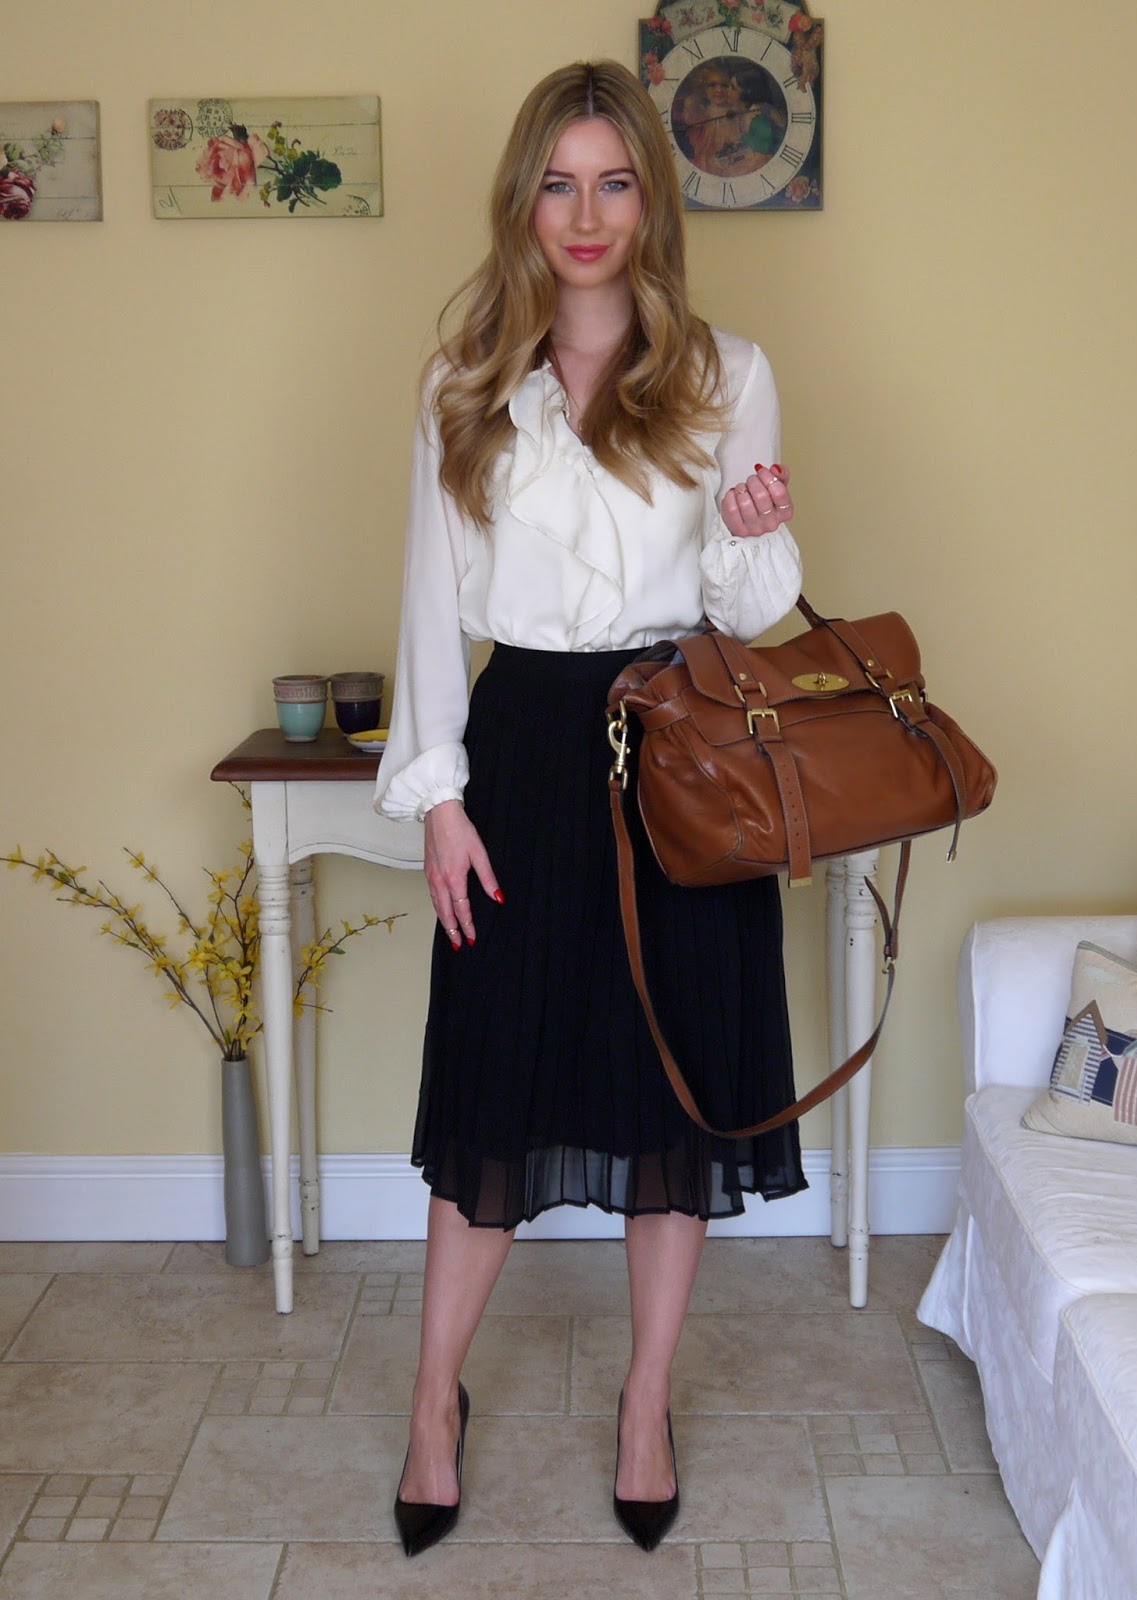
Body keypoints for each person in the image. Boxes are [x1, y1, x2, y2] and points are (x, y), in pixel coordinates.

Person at [373, 58, 806, 1558]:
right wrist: (439, 800)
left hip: (681, 748)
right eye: (558, 183)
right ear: (524, 201)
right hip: (523, 750)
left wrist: (753, 530)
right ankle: (433, 1403)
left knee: (672, 1100)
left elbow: (752, 608)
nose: (586, 213)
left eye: (614, 182)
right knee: (490, 1092)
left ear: (650, 202)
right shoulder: (463, 382)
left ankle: (646, 1405)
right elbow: (430, 602)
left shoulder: (727, 373)